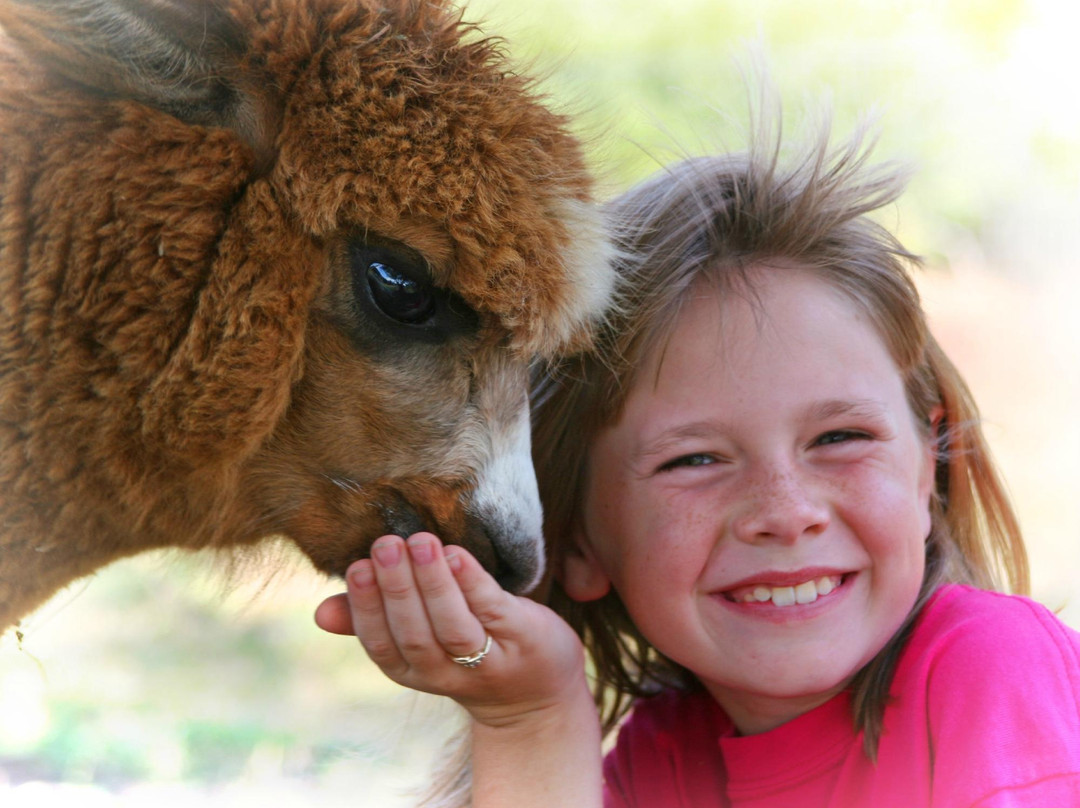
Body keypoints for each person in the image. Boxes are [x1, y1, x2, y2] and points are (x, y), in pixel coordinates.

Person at [314, 111, 1080, 806]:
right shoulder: (668, 757)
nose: (785, 513)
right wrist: (528, 720)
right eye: (695, 460)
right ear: (578, 541)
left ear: (927, 475)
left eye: (840, 439)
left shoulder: (990, 669)